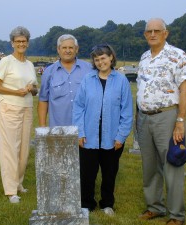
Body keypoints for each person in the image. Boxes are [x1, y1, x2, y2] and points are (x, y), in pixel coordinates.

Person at [136, 18, 186, 225]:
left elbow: (185, 89)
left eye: (156, 31)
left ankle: (176, 215)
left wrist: (180, 120)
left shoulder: (178, 56)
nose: (152, 34)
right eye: (148, 31)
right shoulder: (144, 57)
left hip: (167, 116)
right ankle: (155, 207)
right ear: (144, 34)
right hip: (144, 117)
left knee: (172, 164)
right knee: (149, 166)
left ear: (165, 33)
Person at [73, 44, 133, 216]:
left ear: (111, 58)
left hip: (112, 137)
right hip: (89, 135)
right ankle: (86, 203)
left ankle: (107, 204)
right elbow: (78, 107)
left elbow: (126, 111)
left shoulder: (121, 80)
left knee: (109, 172)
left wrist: (121, 136)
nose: (100, 62)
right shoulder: (88, 79)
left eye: (103, 58)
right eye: (97, 59)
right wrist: (80, 132)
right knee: (87, 173)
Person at [0, 26, 38, 204]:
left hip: (26, 108)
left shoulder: (29, 64)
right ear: (12, 43)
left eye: (24, 41)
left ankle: (18, 183)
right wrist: (16, 92)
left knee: (24, 149)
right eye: (17, 41)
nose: (21, 44)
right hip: (8, 108)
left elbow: (34, 89)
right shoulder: (6, 62)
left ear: (28, 43)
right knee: (10, 148)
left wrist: (31, 89)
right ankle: (10, 190)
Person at [37, 34, 92, 127]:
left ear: (76, 49)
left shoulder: (90, 69)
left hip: (86, 128)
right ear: (58, 49)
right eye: (64, 47)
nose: (67, 51)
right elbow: (43, 100)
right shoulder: (49, 72)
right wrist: (43, 127)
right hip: (58, 129)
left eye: (71, 47)